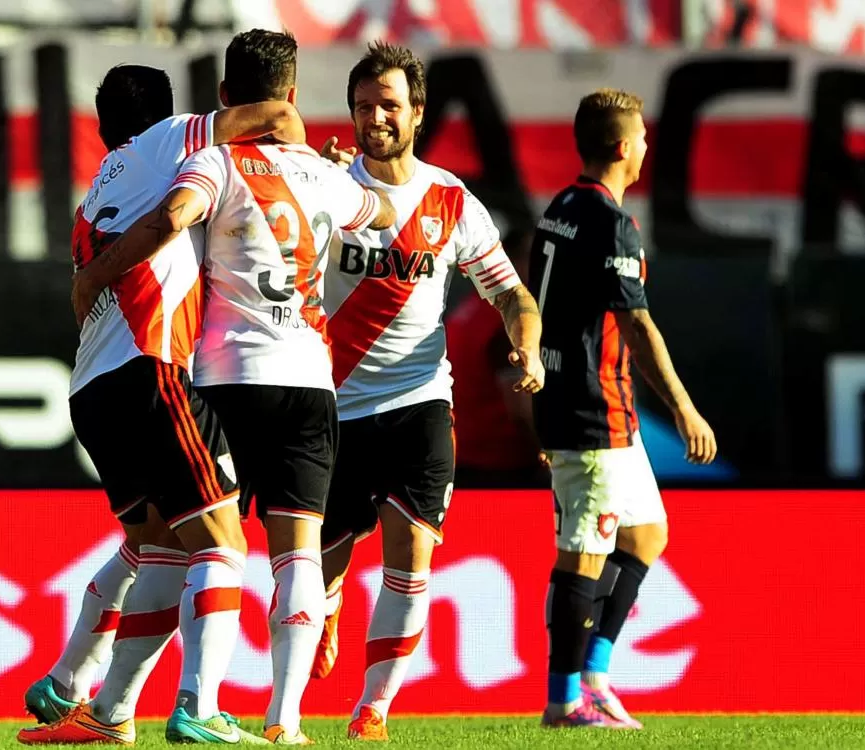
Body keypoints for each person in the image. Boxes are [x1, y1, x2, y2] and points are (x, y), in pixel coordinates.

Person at [69, 30, 396, 746]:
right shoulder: (306, 170)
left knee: (172, 543)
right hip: (307, 375)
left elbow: (176, 215)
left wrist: (94, 275)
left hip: (219, 375)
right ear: (289, 93)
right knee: (290, 554)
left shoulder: (205, 163)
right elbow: (381, 219)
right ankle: (278, 718)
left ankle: (101, 697)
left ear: (222, 96)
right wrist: (336, 167)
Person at [18, 63, 304, 745]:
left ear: (99, 125)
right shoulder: (173, 140)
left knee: (158, 546)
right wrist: (300, 151)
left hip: (94, 388)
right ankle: (199, 707)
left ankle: (92, 701)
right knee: (225, 541)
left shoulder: (93, 196)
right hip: (152, 370)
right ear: (174, 115)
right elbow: (267, 113)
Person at [313, 42, 544, 741]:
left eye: (388, 105)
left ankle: (372, 711)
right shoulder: (324, 186)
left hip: (419, 403)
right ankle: (320, 612)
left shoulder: (451, 200)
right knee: (314, 570)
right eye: (363, 106)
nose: (375, 117)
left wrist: (527, 343)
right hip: (332, 406)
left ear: (417, 112)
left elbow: (511, 294)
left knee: (411, 556)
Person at [527, 88, 717, 729]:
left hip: (588, 405)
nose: (644, 147)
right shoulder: (614, 224)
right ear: (621, 146)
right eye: (639, 137)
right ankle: (563, 702)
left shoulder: (561, 208)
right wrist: (687, 410)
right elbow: (637, 327)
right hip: (592, 407)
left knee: (645, 534)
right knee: (583, 550)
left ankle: (596, 680)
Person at [446, 227, 548, 489]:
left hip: (465, 459)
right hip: (501, 469)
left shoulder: (470, 307)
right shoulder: (506, 324)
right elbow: (522, 412)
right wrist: (553, 461)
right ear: (510, 261)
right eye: (534, 257)